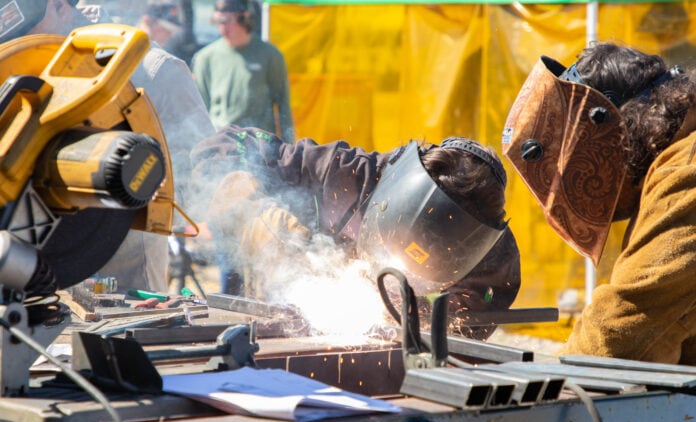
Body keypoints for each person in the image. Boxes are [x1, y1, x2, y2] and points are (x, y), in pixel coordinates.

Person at [190, 124, 521, 340]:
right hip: (278, 328)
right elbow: (225, 142)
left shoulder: (489, 255)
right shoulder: (347, 175)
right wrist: (254, 210)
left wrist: (408, 324)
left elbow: (464, 330)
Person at [0, 0, 215, 293]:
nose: (18, 41)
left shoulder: (152, 72)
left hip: (121, 280)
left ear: (60, 5)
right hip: (23, 271)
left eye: (27, 28)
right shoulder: (17, 57)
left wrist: (127, 185)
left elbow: (202, 181)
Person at [502, 42, 696, 367]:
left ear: (612, 131)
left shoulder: (686, 172)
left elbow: (628, 318)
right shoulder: (675, 159)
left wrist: (543, 384)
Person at [191, 0, 294, 143]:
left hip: (259, 146)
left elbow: (283, 106)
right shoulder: (204, 58)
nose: (222, 27)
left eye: (227, 21)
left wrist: (288, 149)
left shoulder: (270, 55)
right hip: (221, 145)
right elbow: (200, 111)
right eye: (218, 21)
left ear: (244, 18)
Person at [137, 0, 199, 66]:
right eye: (165, 29)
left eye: (171, 31)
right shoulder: (133, 53)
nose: (170, 35)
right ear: (147, 21)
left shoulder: (160, 51)